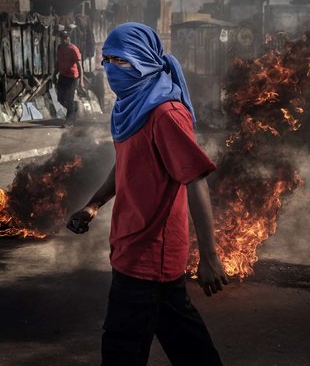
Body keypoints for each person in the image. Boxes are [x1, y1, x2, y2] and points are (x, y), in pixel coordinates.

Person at [66, 22, 228, 365]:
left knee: (122, 351)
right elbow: (126, 164)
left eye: (120, 61)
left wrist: (209, 256)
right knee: (188, 345)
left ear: (143, 59)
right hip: (130, 248)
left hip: (150, 255)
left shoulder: (165, 113)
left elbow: (195, 180)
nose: (110, 69)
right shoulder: (129, 107)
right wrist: (94, 205)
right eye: (106, 60)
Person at [55, 31, 84, 127]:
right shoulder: (60, 48)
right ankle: (73, 108)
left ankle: (69, 121)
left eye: (66, 38)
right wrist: (54, 74)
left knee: (69, 99)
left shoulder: (73, 49)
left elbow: (80, 67)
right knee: (60, 99)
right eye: (62, 38)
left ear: (69, 38)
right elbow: (58, 62)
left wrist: (81, 81)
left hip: (72, 77)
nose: (64, 40)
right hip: (62, 76)